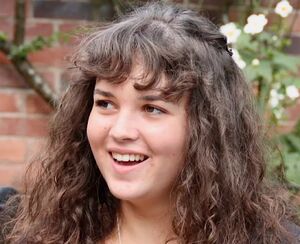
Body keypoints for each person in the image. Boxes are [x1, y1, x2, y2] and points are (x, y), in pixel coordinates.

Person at [2, 2, 300, 243]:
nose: (120, 131)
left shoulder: (273, 239)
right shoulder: (42, 232)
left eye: (152, 108)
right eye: (105, 103)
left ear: (206, 126)